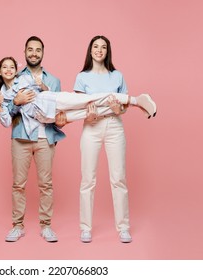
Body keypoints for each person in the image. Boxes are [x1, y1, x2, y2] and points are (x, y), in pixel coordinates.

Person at [73, 35, 146, 243]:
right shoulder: (82, 77)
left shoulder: (117, 76)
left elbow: (123, 107)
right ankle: (85, 228)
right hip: (91, 127)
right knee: (88, 179)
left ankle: (123, 227)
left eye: (103, 47)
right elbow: (78, 107)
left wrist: (118, 110)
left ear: (107, 51)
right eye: (95, 46)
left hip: (114, 126)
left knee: (118, 178)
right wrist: (90, 115)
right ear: (90, 50)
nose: (99, 50)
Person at [0, 36, 64, 243]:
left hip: (46, 138)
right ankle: (17, 226)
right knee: (18, 184)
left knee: (46, 184)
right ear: (24, 52)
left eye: (37, 50)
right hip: (21, 138)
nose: (34, 53)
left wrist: (61, 120)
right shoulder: (15, 78)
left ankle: (46, 226)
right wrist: (16, 102)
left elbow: (59, 109)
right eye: (30, 50)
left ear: (43, 53)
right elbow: (7, 113)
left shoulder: (53, 80)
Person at [0, 57, 157, 138]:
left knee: (90, 99)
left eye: (12, 67)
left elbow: (43, 88)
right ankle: (137, 105)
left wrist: (41, 86)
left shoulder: (23, 78)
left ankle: (136, 100)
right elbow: (7, 122)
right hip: (45, 117)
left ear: (16, 70)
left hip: (51, 100)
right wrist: (1, 107)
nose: (9, 70)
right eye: (5, 67)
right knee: (89, 112)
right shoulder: (3, 96)